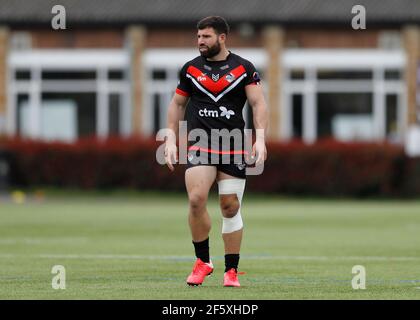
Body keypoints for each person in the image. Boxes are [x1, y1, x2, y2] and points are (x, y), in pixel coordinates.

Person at [164, 16, 268, 287]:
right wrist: (171, 139)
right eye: (198, 36)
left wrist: (260, 140)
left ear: (222, 37)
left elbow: (258, 104)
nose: (200, 41)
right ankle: (203, 262)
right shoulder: (190, 70)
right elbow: (176, 104)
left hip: (233, 144)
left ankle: (231, 271)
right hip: (200, 143)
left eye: (206, 37)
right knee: (196, 199)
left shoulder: (244, 68)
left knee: (229, 207)